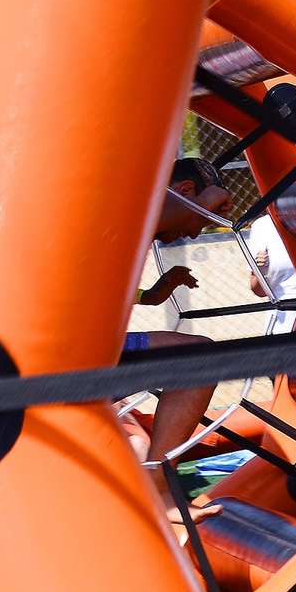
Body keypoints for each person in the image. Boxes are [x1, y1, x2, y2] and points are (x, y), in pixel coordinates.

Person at [121, 156, 228, 507]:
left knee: (200, 354)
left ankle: (156, 485)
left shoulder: (134, 230)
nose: (195, 233)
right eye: (203, 221)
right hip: (70, 355)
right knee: (200, 357)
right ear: (185, 190)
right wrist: (205, 202)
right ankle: (159, 489)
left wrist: (149, 296)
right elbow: (147, 211)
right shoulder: (130, 209)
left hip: (92, 348)